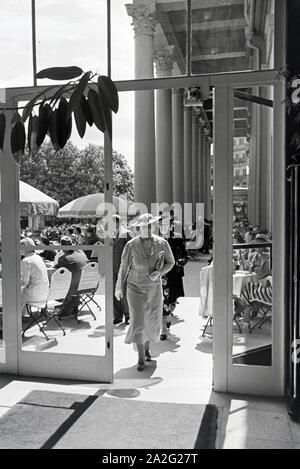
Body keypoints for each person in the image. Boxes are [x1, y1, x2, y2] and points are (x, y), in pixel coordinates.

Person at [115, 213, 175, 371]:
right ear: (138, 228)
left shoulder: (161, 242)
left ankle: (147, 350)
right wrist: (119, 287)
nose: (147, 228)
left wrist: (160, 272)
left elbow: (171, 262)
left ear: (153, 226)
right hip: (134, 288)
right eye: (144, 226)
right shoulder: (131, 245)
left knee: (151, 320)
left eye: (149, 225)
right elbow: (123, 267)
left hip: (154, 288)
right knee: (138, 321)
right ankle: (140, 358)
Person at [160, 213, 188, 340]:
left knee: (170, 299)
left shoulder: (176, 235)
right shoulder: (153, 236)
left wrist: (183, 260)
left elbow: (183, 250)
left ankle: (168, 315)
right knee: (160, 300)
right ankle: (163, 329)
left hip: (172, 271)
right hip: (158, 273)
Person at [55, 236, 88, 317]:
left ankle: (69, 304)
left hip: (73, 288)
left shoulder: (63, 259)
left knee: (57, 282)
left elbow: (60, 274)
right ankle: (74, 302)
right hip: (88, 286)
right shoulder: (81, 252)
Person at [112, 215, 133, 325]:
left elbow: (132, 250)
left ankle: (128, 315)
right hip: (112, 267)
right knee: (113, 292)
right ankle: (117, 316)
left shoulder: (126, 233)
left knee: (125, 292)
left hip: (124, 267)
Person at [20, 237, 49, 314]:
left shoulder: (26, 260)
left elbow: (24, 282)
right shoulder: (38, 257)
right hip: (44, 295)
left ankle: (13, 317)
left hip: (34, 297)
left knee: (12, 291)